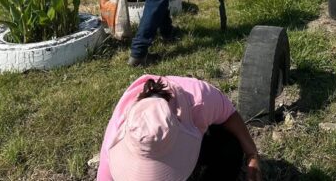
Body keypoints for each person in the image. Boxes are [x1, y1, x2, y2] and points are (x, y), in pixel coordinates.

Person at [96, 75, 262, 181]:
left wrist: (251, 154)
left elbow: (229, 115)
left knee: (230, 147)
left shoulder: (200, 100)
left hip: (202, 136)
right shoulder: (115, 135)